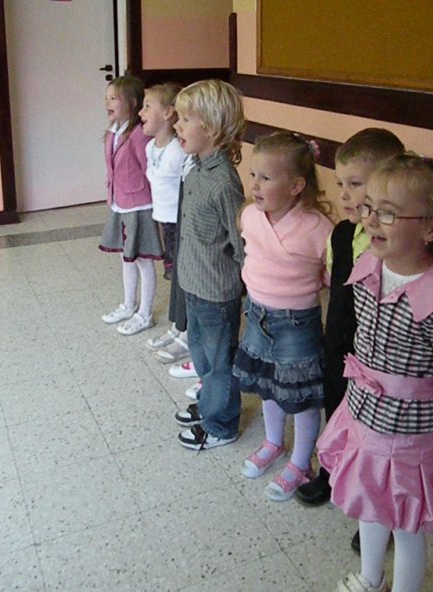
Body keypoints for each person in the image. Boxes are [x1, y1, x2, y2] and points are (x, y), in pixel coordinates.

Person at [318, 152, 433, 592]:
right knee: (370, 505)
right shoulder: (369, 264)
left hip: (411, 432)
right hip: (363, 413)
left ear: (432, 230)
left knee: (406, 524)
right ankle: (370, 577)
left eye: (388, 213)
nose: (370, 219)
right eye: (369, 207)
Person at [296, 128, 404, 514]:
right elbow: (333, 284)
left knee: (373, 433)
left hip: (379, 360)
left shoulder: (398, 245)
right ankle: (332, 472)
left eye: (355, 184)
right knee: (336, 408)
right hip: (339, 345)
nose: (343, 194)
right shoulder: (341, 234)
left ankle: (374, 507)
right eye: (340, 183)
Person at [232, 131, 334, 500]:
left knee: (301, 397)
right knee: (268, 386)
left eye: (266, 178)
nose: (255, 185)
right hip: (257, 314)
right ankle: (274, 442)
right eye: (253, 175)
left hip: (297, 324)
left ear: (296, 186)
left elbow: (332, 275)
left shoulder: (318, 228)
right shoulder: (250, 215)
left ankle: (301, 462)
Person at [173, 79, 246, 450]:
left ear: (213, 128)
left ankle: (221, 424)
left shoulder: (224, 182)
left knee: (220, 363)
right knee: (201, 357)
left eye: (186, 119)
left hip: (217, 293)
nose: (176, 125)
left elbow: (241, 243)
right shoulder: (196, 168)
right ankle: (210, 403)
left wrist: (252, 292)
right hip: (193, 284)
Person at [99, 75, 162, 336]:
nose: (107, 103)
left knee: (143, 260)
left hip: (139, 204)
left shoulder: (138, 135)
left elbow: (149, 171)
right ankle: (128, 304)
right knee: (126, 257)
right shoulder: (112, 132)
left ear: (133, 103)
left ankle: (144, 314)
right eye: (106, 98)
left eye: (114, 98)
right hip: (120, 202)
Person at [138, 83, 187, 354]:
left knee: (184, 279)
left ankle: (187, 333)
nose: (141, 112)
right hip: (164, 222)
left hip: (181, 224)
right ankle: (178, 326)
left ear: (168, 113)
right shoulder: (150, 148)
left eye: (148, 106)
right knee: (174, 277)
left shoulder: (178, 151)